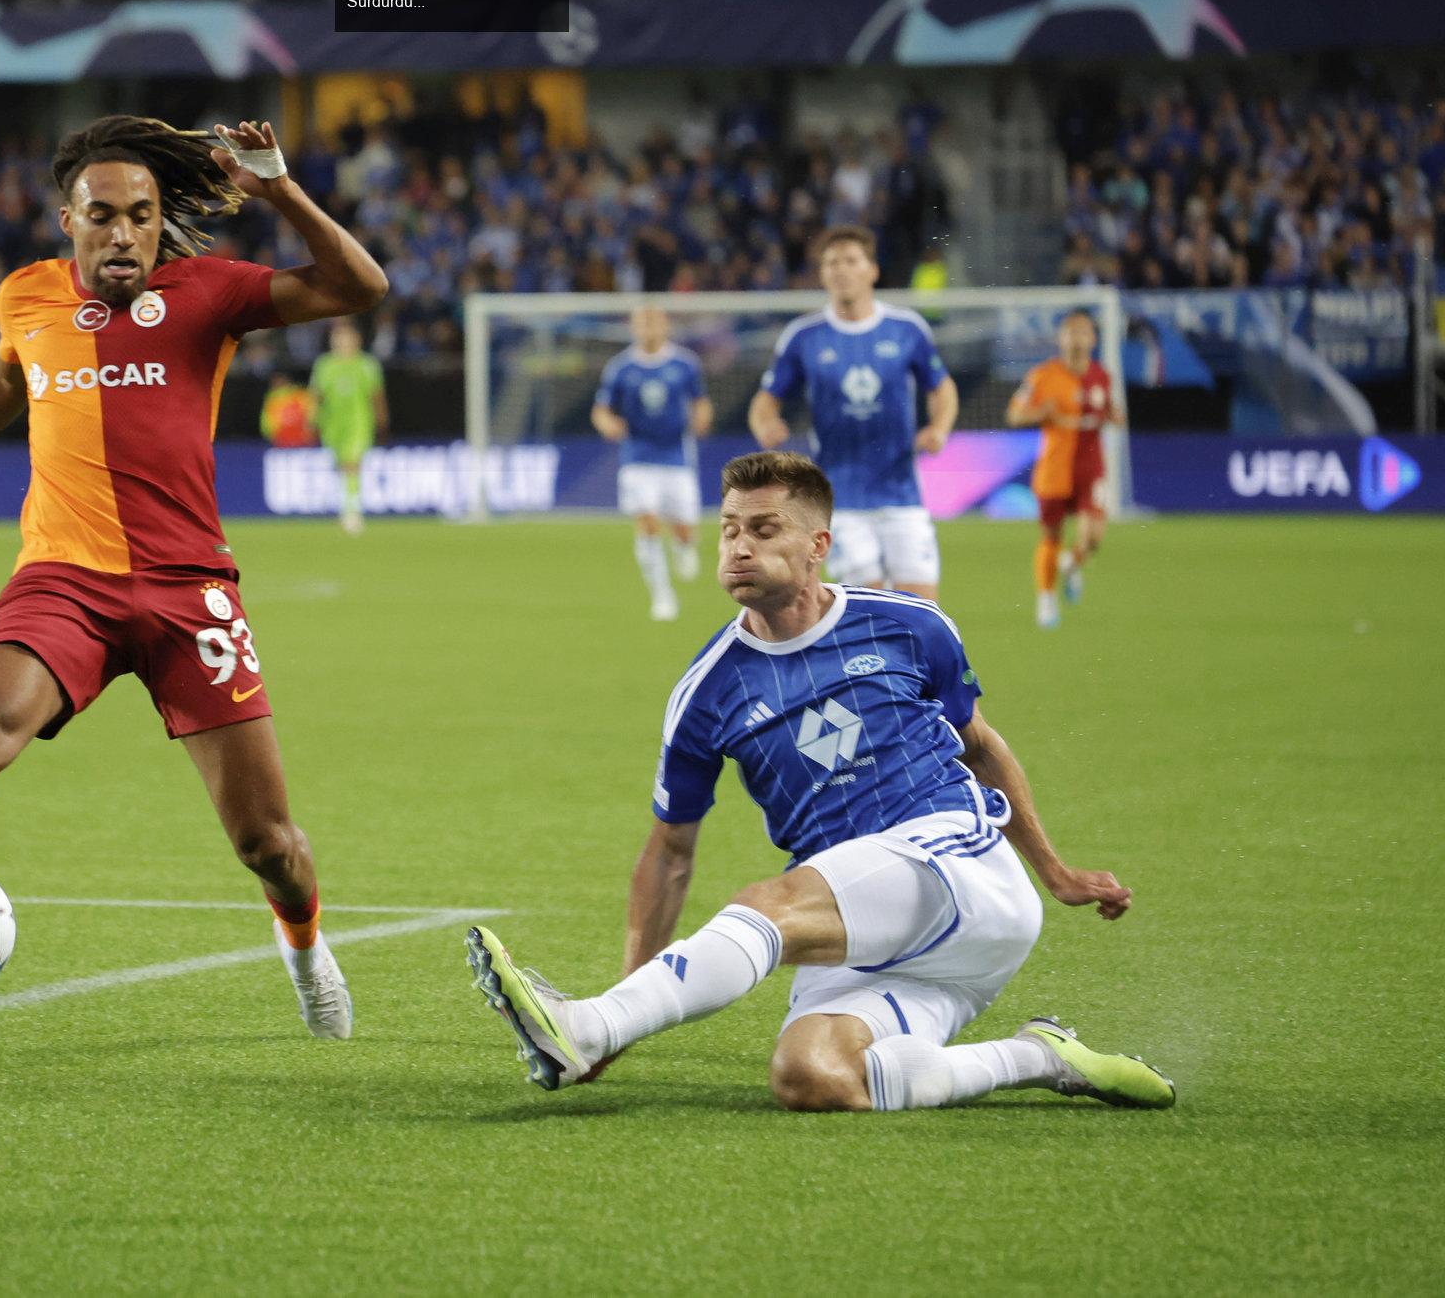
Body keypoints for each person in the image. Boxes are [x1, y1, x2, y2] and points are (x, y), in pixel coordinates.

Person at [0, 116, 387, 1039]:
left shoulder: (208, 292)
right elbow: (8, 373)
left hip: (189, 592)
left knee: (269, 845)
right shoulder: (26, 296)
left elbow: (359, 286)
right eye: (104, 215)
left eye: (142, 214)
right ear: (69, 221)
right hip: (64, 578)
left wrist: (279, 192)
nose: (125, 232)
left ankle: (305, 951)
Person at [465, 451, 1174, 1113]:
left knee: (766, 904)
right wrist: (634, 999)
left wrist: (1053, 871)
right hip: (880, 934)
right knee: (812, 1076)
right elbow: (669, 853)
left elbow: (980, 748)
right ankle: (1037, 1056)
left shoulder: (907, 624)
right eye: (728, 530)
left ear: (817, 545)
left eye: (764, 529)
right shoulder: (705, 690)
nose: (739, 547)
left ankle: (584, 1024)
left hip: (960, 867)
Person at [749, 225, 958, 600]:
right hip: (839, 499)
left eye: (850, 260)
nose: (841, 269)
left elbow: (941, 387)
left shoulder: (906, 329)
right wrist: (767, 424)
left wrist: (939, 428)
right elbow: (766, 400)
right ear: (823, 274)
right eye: (832, 263)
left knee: (924, 610)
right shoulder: (804, 336)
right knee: (868, 608)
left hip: (902, 494)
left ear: (871, 270)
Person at [591, 306, 711, 621]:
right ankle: (662, 597)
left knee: (683, 528)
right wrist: (607, 424)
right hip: (637, 457)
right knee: (646, 522)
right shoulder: (621, 368)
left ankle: (685, 546)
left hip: (676, 456)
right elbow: (602, 408)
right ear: (633, 328)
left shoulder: (684, 364)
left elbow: (700, 401)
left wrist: (701, 420)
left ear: (665, 326)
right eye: (641, 324)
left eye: (653, 323)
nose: (647, 329)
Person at [1007, 309, 1123, 629]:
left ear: (1093, 339)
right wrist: (1040, 412)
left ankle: (1071, 564)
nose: (1076, 339)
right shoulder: (1042, 376)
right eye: (1070, 332)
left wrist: (1114, 417)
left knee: (1093, 537)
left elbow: (1113, 413)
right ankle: (1046, 597)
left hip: (1091, 468)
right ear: (1060, 339)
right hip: (1054, 470)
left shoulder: (1102, 377)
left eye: (1083, 332)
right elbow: (1014, 415)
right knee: (1051, 536)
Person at [308, 319, 386, 533]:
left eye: (346, 337)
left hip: (359, 421)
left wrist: (381, 421)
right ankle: (344, 505)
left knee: (353, 463)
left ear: (357, 340)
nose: (342, 341)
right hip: (332, 423)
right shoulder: (325, 365)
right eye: (338, 337)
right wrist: (312, 419)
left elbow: (376, 396)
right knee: (342, 466)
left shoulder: (367, 364)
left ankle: (352, 511)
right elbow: (317, 395)